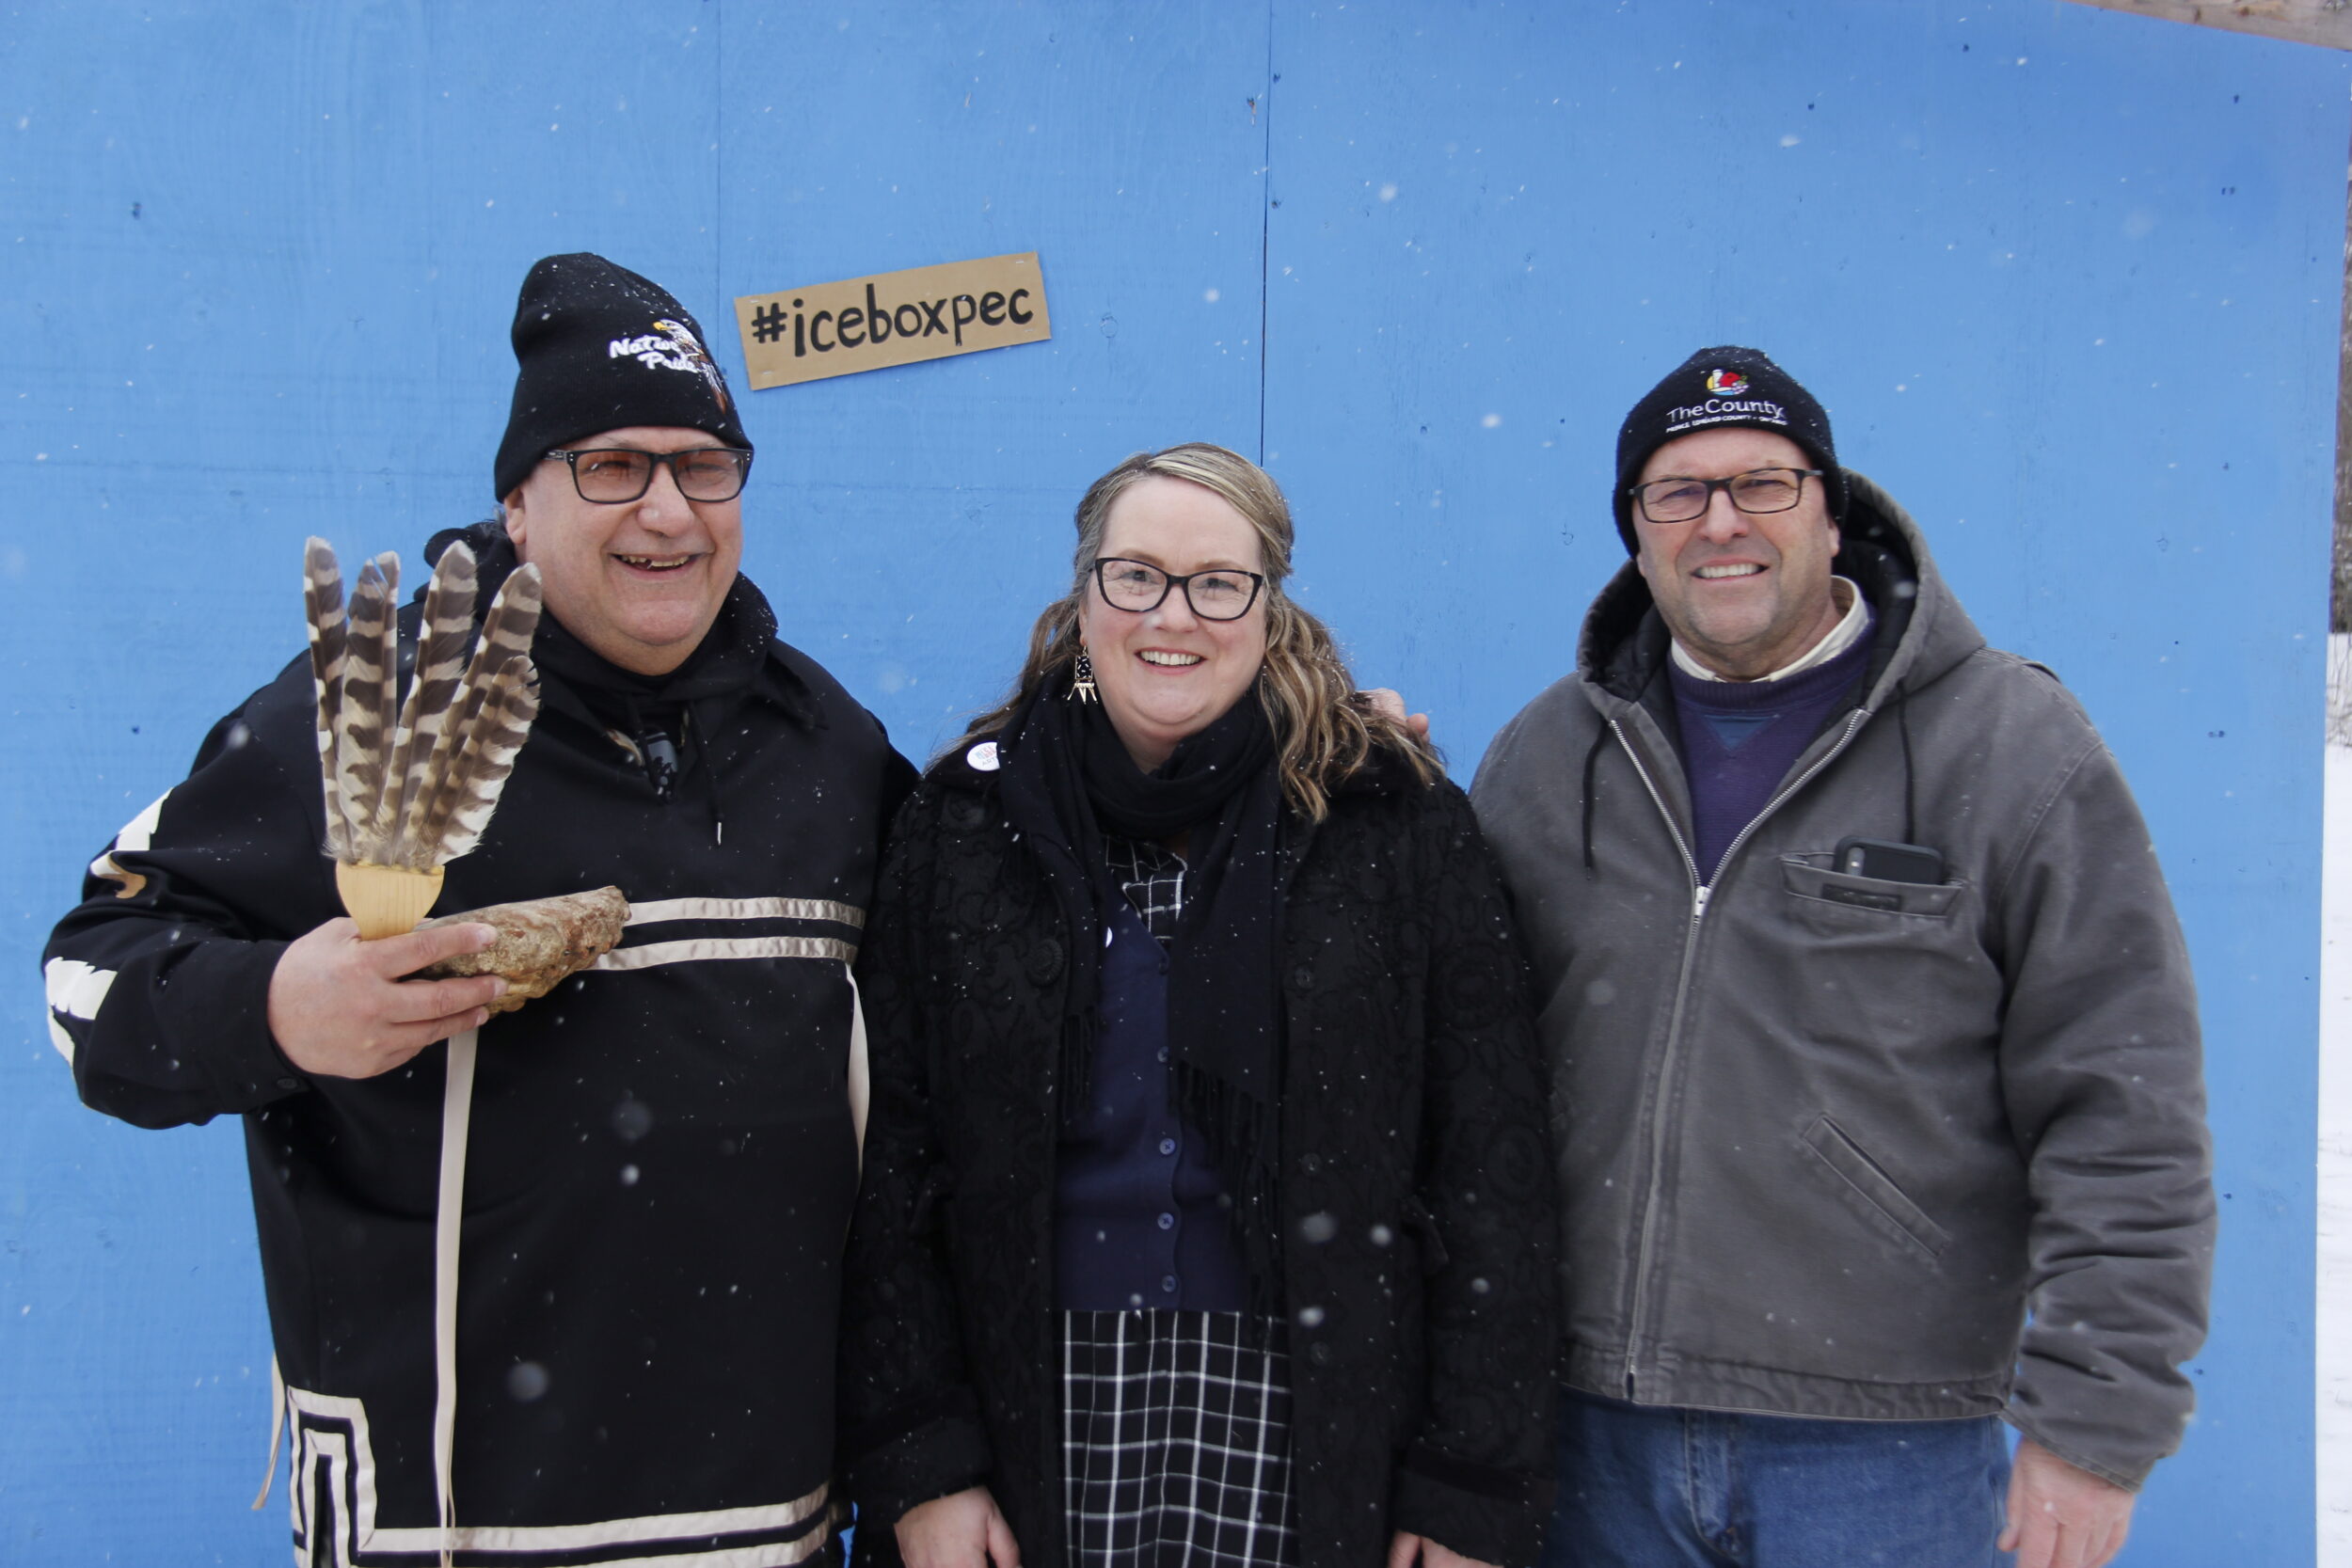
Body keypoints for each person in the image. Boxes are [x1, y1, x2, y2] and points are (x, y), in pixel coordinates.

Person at [42, 253, 913, 1565]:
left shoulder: (823, 743)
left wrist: (1320, 764)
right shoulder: (381, 717)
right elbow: (91, 968)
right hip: (447, 1517)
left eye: (704, 464)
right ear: (521, 497)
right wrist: (280, 1008)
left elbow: (990, 947)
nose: (668, 508)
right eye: (612, 464)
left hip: (765, 1517)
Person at [1470, 346, 2215, 1568]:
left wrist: (2098, 1415)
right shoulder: (1553, 755)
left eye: (1760, 482)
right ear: (1638, 532)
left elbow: (2124, 1101)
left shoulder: (2009, 748)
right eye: (1678, 492)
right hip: (1588, 1422)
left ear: (1830, 503)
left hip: (1881, 1443)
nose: (1720, 522)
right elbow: (1456, 1049)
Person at [835, 443, 1557, 1568]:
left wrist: (1472, 1477)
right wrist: (923, 1458)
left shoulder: (1391, 822)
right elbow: (890, 1166)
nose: (1174, 613)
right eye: (1135, 574)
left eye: (1219, 582)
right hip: (1032, 1412)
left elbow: (1489, 1164)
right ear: (1083, 598)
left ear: (1269, 607)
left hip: (1313, 1414)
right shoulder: (966, 826)